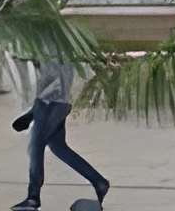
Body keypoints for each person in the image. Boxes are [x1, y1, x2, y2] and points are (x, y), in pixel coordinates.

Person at [11, 58, 109, 211]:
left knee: (36, 147)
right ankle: (99, 182)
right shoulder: (61, 43)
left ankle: (33, 198)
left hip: (49, 103)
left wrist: (34, 111)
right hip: (60, 103)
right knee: (58, 148)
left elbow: (51, 80)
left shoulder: (51, 43)